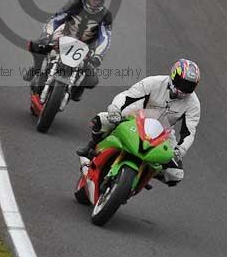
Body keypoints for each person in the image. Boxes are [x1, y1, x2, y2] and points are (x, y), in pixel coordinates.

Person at [76, 59, 201, 187]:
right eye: (182, 83)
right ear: (173, 76)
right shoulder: (154, 82)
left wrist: (180, 150)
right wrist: (115, 109)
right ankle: (92, 146)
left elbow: (189, 132)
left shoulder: (193, 104)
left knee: (176, 174)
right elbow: (128, 95)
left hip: (164, 132)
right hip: (135, 116)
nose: (184, 89)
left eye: (189, 86)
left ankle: (147, 172)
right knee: (102, 120)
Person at [24, 0, 112, 101]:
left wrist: (98, 55)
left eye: (98, 0)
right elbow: (56, 19)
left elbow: (105, 37)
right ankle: (36, 68)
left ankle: (76, 89)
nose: (94, 3)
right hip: (64, 36)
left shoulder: (106, 15)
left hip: (86, 47)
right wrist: (47, 35)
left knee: (92, 80)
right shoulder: (74, 4)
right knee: (37, 45)